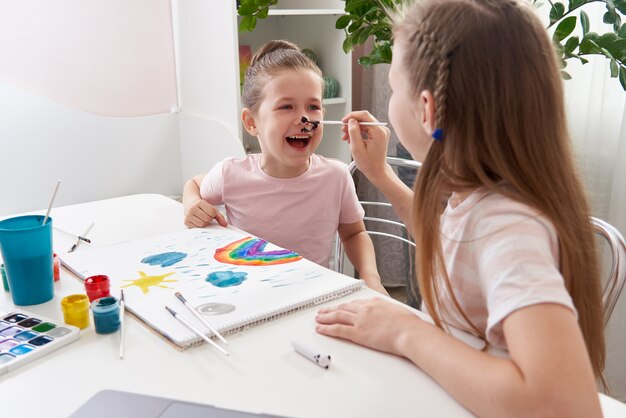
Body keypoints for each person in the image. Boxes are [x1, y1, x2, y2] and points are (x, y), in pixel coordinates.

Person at [315, 0, 605, 416]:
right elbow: (454, 242)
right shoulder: (479, 198)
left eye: (395, 88)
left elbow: (563, 403)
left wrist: (405, 333)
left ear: (428, 108)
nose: (390, 102)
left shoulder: (508, 226)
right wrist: (378, 174)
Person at [182, 40, 386, 295]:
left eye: (313, 107)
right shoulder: (230, 174)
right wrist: (191, 204)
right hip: (247, 297)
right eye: (286, 107)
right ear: (251, 121)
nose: (305, 119)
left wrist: (371, 278)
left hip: (312, 300)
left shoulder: (336, 176)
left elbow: (355, 234)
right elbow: (194, 184)